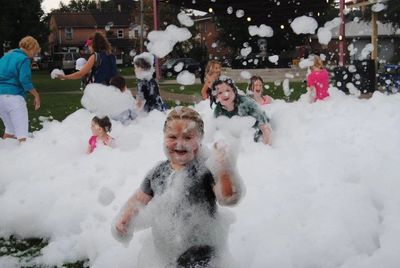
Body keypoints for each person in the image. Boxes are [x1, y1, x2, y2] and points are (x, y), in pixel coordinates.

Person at [114, 107, 243, 267]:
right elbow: (139, 199)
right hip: (166, 254)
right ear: (164, 137)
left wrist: (224, 169)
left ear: (200, 138)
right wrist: (126, 218)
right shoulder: (157, 172)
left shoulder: (206, 169)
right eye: (172, 137)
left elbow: (227, 198)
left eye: (188, 137)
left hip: (202, 251)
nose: (180, 144)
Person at [0, 36, 41, 142]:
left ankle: (5, 157)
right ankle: (25, 158)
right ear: (31, 48)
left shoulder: (5, 57)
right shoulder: (23, 59)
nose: (34, 55)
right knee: (22, 136)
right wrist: (36, 95)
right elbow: (24, 80)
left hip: (0, 98)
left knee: (10, 131)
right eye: (35, 52)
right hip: (14, 98)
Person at [211, 76, 272, 145]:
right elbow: (219, 134)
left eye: (228, 90)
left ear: (234, 90)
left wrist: (266, 147)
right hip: (240, 140)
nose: (225, 94)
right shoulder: (218, 111)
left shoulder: (245, 103)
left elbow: (264, 123)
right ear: (215, 96)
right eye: (220, 93)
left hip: (258, 134)